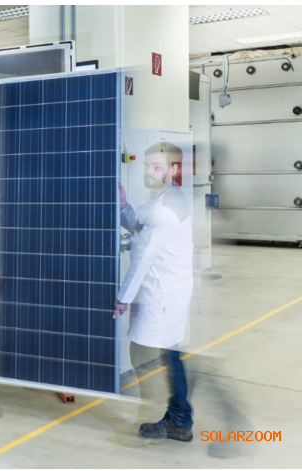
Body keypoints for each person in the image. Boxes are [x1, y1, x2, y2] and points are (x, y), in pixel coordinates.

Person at [114, 141, 194, 441]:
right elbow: (139, 225)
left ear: (173, 170)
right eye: (147, 165)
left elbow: (142, 258)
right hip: (162, 289)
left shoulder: (166, 210)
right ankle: (177, 416)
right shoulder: (161, 197)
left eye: (156, 166)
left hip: (163, 293)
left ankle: (179, 419)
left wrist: (122, 298)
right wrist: (123, 205)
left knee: (162, 355)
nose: (148, 171)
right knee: (161, 353)